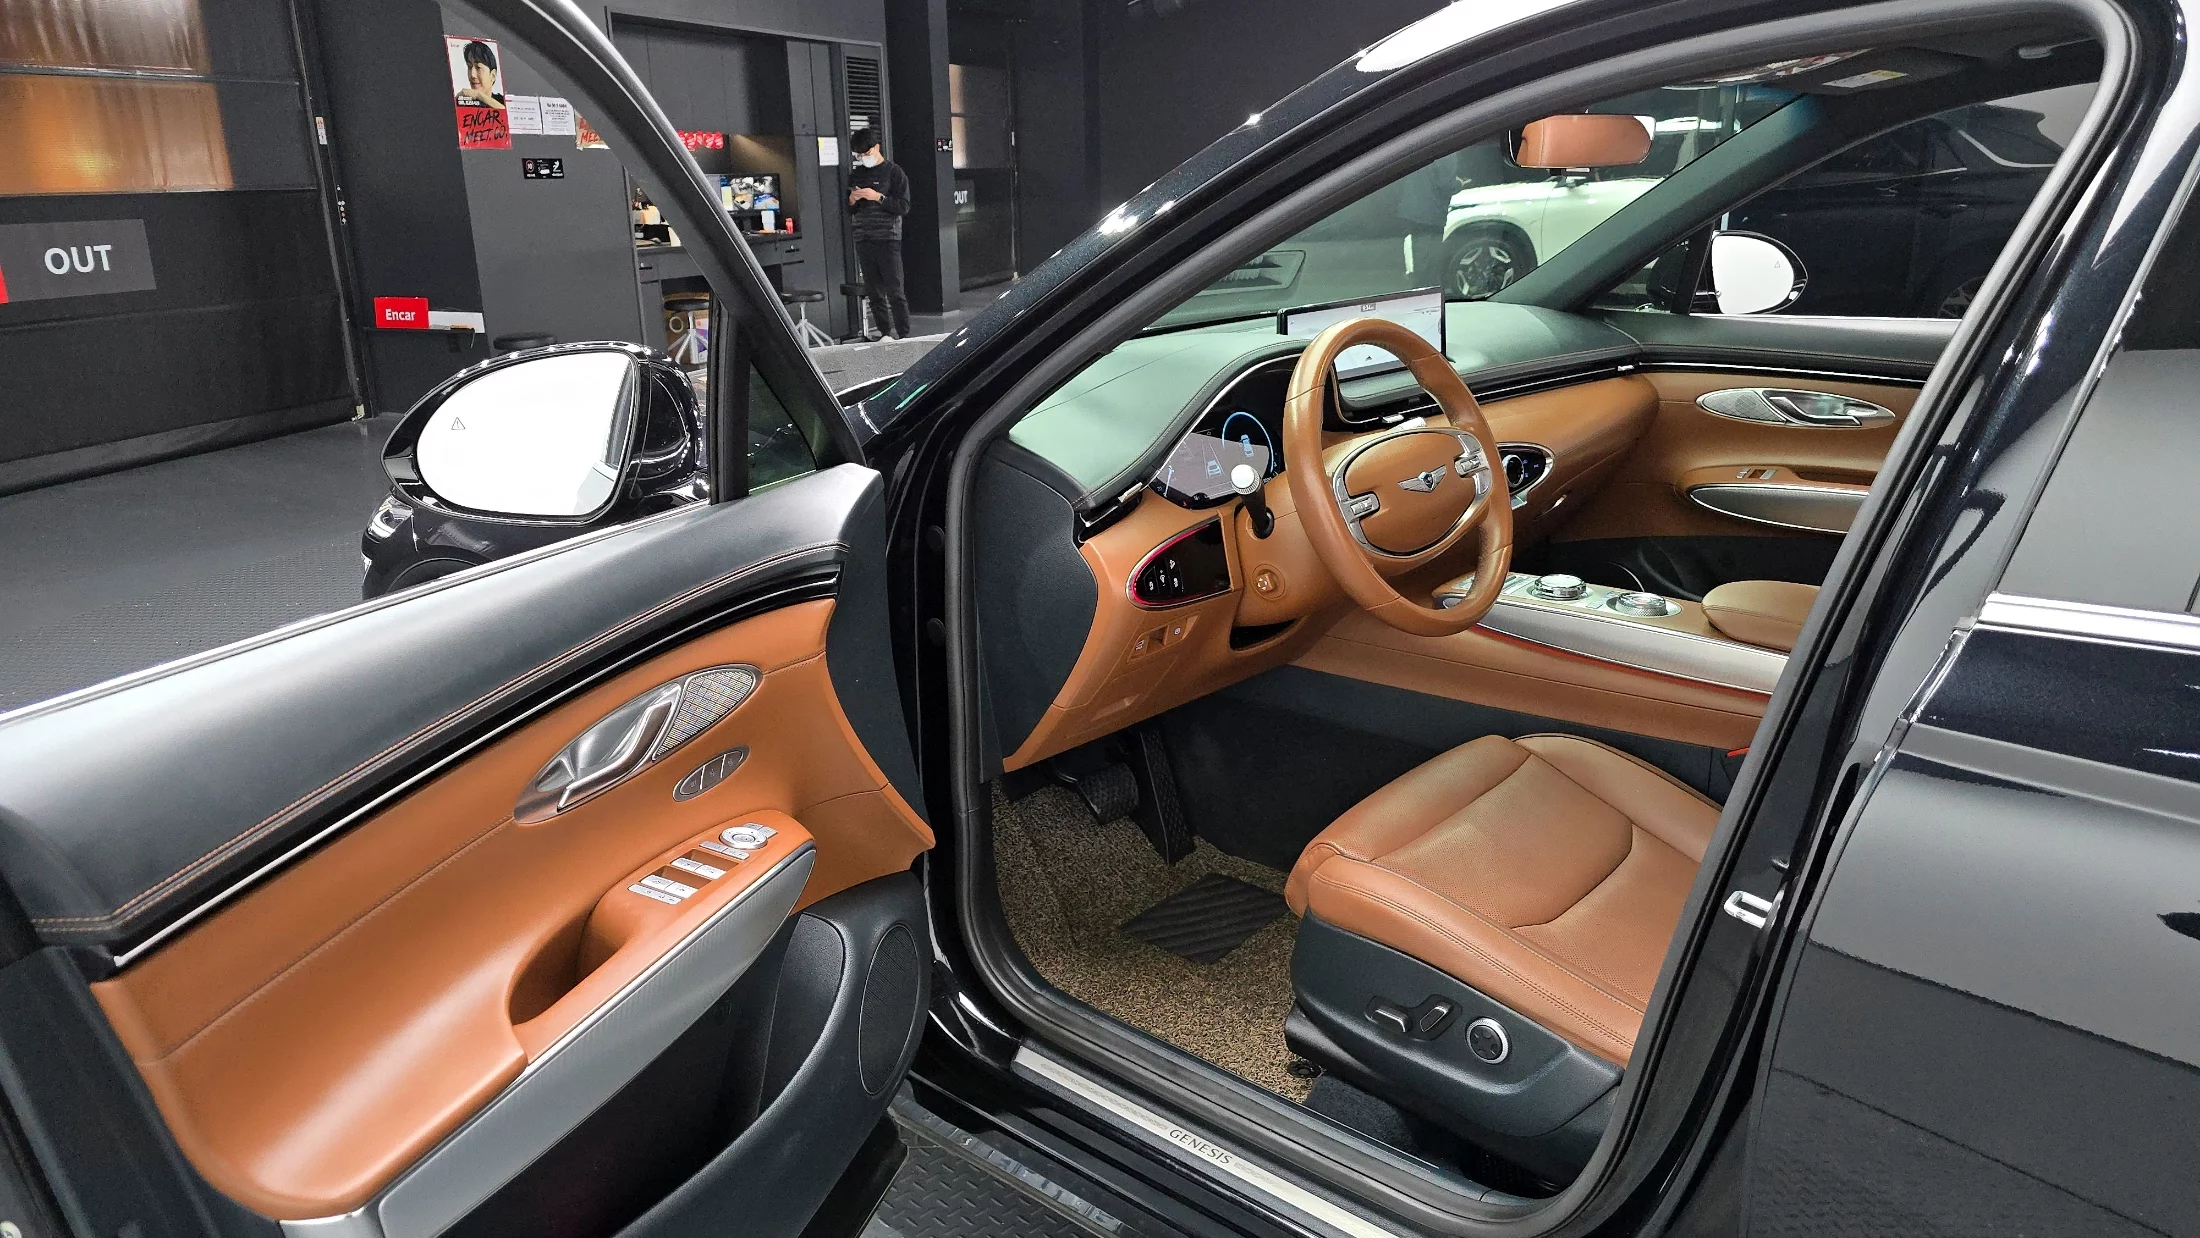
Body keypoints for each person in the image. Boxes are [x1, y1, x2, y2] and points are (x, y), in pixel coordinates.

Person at [846, 128, 911, 339]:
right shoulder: (856, 174)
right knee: (874, 293)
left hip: (888, 238)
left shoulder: (894, 172)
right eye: (859, 155)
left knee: (895, 291)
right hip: (863, 238)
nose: (863, 158)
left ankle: (904, 335)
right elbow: (849, 209)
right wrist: (852, 200)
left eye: (866, 153)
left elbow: (903, 206)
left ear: (876, 148)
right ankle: (884, 334)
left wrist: (878, 197)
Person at [457, 40, 505, 110]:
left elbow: (505, 112)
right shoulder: (463, 103)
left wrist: (478, 95)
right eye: (469, 66)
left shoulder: (502, 101)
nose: (472, 75)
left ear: (493, 75)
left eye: (478, 67)